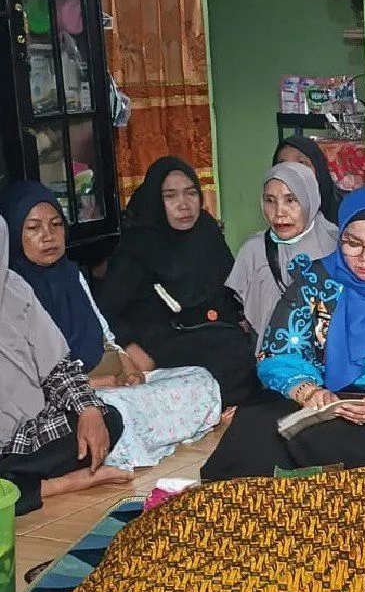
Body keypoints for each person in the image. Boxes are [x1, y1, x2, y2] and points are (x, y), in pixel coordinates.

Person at [200, 186, 365, 480]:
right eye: (352, 244)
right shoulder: (316, 281)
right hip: (329, 402)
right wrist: (309, 392)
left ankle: (337, 474)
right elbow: (278, 352)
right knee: (256, 422)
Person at [3, 181, 221, 470]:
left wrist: (127, 366)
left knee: (200, 378)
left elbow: (103, 330)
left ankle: (143, 437)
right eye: (33, 228)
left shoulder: (70, 275)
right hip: (68, 399)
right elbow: (32, 383)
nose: (48, 236)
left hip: (104, 378)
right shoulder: (12, 291)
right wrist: (95, 385)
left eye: (56, 224)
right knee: (116, 412)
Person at [90, 157, 261, 407]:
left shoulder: (206, 230)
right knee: (232, 359)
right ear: (155, 200)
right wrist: (130, 348)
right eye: (170, 196)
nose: (184, 205)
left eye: (191, 193)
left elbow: (228, 285)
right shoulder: (139, 244)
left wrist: (241, 317)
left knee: (252, 352)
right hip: (160, 338)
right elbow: (105, 308)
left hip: (209, 327)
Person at [0, 216, 130, 516]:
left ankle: (17, 487)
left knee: (107, 418)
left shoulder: (14, 289)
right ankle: (58, 485)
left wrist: (88, 410)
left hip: (22, 441)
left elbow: (58, 368)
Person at [227, 163, 338, 346]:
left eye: (290, 200)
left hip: (328, 356)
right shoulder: (253, 251)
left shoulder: (336, 245)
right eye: (270, 200)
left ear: (309, 198)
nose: (279, 212)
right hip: (273, 356)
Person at [273, 135, 340, 224]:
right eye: (283, 165)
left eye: (301, 163)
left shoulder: (346, 212)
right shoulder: (275, 211)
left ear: (318, 168)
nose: (292, 171)